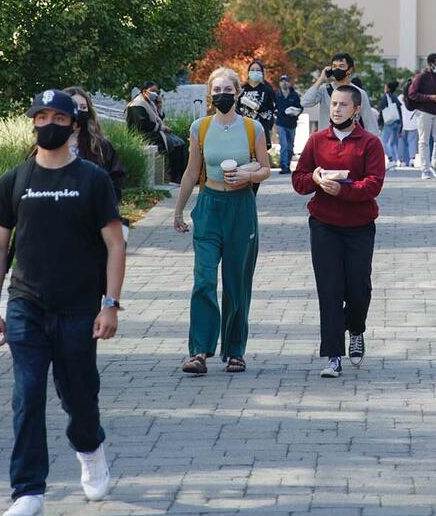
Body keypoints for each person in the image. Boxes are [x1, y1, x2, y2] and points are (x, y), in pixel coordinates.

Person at [0, 89, 126, 516]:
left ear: (74, 127)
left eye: (57, 118)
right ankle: (28, 491)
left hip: (80, 309)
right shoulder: (15, 180)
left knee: (78, 396)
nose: (48, 124)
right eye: (40, 116)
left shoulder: (92, 180)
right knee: (27, 397)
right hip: (27, 304)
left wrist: (110, 305)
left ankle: (91, 451)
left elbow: (115, 243)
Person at [173, 67, 270, 374]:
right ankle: (199, 351)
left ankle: (235, 350)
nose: (222, 94)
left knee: (236, 283)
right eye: (217, 90)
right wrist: (178, 210)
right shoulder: (200, 128)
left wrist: (248, 175)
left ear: (238, 93)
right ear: (210, 95)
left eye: (228, 89)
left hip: (241, 208)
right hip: (209, 206)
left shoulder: (253, 128)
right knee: (204, 279)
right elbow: (191, 172)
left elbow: (265, 169)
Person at [292, 84, 386, 377]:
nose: (336, 109)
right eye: (334, 103)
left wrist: (342, 189)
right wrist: (317, 181)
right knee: (330, 290)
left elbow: (374, 183)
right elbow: (299, 180)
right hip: (324, 225)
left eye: (343, 105)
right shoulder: (317, 140)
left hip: (359, 225)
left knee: (358, 289)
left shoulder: (369, 143)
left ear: (356, 110)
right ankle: (333, 354)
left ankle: (356, 329)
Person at [301, 51, 380, 135]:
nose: (337, 69)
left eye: (341, 66)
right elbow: (305, 102)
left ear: (349, 69)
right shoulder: (324, 90)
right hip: (327, 140)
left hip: (350, 141)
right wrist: (320, 80)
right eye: (334, 66)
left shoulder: (359, 93)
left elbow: (370, 123)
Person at [125, 80, 186, 183]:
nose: (155, 94)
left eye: (157, 91)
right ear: (144, 91)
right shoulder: (137, 104)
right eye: (152, 91)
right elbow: (142, 125)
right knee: (175, 146)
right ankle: (173, 177)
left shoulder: (149, 103)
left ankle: (180, 176)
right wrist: (162, 128)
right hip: (144, 135)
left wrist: (159, 107)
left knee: (181, 143)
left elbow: (158, 118)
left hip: (155, 132)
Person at [406, 53, 436, 179]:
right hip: (424, 112)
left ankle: (434, 164)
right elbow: (412, 94)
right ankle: (425, 169)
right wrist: (429, 97)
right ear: (431, 63)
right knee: (424, 141)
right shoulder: (421, 77)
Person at [238, 59, 277, 148]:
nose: (255, 72)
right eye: (252, 70)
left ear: (262, 73)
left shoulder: (267, 89)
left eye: (258, 70)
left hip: (261, 127)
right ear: (248, 72)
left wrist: (250, 103)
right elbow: (237, 107)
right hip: (244, 127)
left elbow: (268, 108)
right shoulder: (243, 88)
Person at [273, 74, 303, 173]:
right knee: (284, 144)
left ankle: (288, 164)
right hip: (281, 123)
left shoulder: (294, 95)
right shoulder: (277, 95)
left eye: (286, 80)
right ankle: (283, 166)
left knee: (290, 146)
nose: (284, 82)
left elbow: (300, 108)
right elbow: (273, 108)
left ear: (289, 83)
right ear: (279, 83)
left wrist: (295, 112)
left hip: (292, 124)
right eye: (282, 81)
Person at [379, 79, 402, 166]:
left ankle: (391, 159)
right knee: (393, 143)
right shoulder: (395, 97)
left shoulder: (386, 97)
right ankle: (395, 160)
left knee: (384, 142)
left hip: (389, 122)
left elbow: (382, 111)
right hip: (397, 122)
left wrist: (380, 123)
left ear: (388, 88)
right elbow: (400, 112)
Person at [398, 92, 419, 167]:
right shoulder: (415, 96)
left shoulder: (400, 98)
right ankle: (411, 160)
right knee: (412, 142)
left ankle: (403, 161)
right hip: (413, 123)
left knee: (402, 143)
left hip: (403, 124)